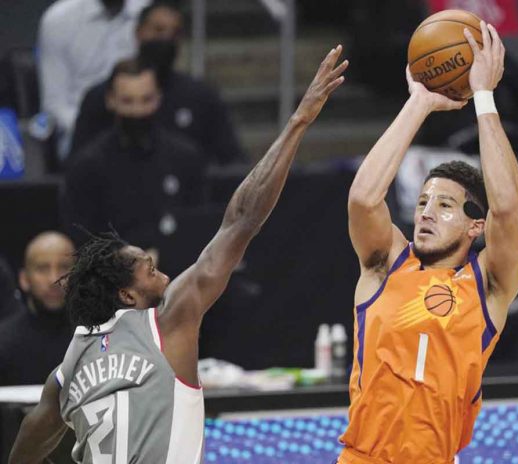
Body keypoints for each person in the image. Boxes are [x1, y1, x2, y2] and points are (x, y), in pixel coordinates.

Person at [9, 45, 347, 463]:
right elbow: (241, 219)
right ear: (128, 296)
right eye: (148, 269)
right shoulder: (168, 321)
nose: (161, 272)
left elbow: (34, 428)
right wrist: (298, 121)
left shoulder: (69, 364)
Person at [339, 23, 518, 463]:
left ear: (473, 227)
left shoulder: (489, 287)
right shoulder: (385, 267)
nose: (425, 212)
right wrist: (418, 103)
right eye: (422, 201)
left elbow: (506, 206)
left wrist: (483, 98)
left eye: (444, 205)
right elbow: (364, 199)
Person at [72, 1, 246, 165]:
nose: (166, 38)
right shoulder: (99, 98)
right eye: (158, 30)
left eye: (174, 33)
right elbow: (77, 167)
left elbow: (232, 163)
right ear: (138, 32)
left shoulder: (202, 97)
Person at [63, 59, 206, 250]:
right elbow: (81, 240)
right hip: (112, 274)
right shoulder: (87, 165)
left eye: (146, 99)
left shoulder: (186, 158)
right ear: (110, 100)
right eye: (127, 101)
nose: (137, 111)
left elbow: (197, 228)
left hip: (176, 272)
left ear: (158, 98)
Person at [38, 0, 151, 158]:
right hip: (81, 135)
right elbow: (55, 104)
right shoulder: (58, 20)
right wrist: (94, 131)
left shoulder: (148, 13)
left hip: (141, 122)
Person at [0, 232, 75, 385]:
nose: (54, 279)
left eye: (64, 267)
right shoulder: (4, 343)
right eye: (42, 268)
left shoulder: (98, 339)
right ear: (24, 279)